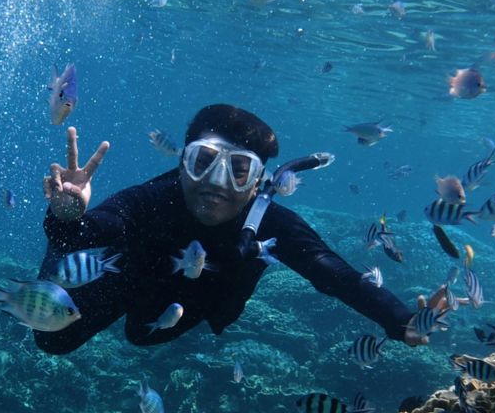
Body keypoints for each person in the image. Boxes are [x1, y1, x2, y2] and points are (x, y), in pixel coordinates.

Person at [37, 104, 422, 355]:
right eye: (203, 161)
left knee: (142, 336)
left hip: (199, 298)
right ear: (182, 163)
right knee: (53, 338)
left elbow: (333, 274)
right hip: (129, 278)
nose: (217, 182)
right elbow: (93, 229)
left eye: (240, 170)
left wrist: (401, 319)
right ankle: (58, 272)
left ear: (259, 182)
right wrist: (65, 218)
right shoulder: (151, 199)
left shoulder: (270, 222)